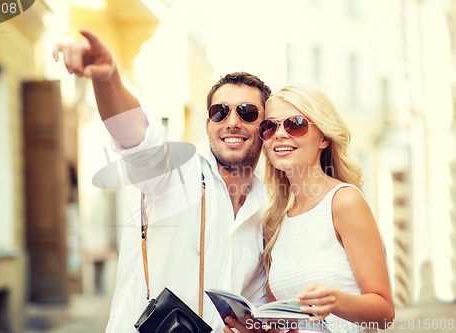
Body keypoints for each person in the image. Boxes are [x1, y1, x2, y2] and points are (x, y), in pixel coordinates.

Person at [53, 29, 272, 332]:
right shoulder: (176, 170)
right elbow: (136, 135)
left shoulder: (267, 209)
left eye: (247, 113)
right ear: (208, 124)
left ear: (265, 128)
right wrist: (107, 78)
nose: (232, 122)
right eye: (220, 112)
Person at [224, 84, 395, 333]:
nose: (280, 134)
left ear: (324, 138)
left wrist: (335, 301)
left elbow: (385, 313)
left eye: (295, 124)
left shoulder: (344, 202)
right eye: (269, 127)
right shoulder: (273, 221)